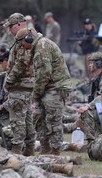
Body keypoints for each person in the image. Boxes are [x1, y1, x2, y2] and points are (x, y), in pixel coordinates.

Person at [17, 27, 71, 155]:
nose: (22, 47)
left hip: (55, 88)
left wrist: (35, 95)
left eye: (22, 43)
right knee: (40, 119)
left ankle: (56, 152)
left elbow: (44, 75)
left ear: (28, 39)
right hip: (47, 88)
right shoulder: (38, 47)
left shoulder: (42, 48)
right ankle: (45, 149)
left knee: (53, 121)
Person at [2, 13, 37, 155]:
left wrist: (8, 80)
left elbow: (22, 61)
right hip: (25, 85)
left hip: (20, 85)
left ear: (18, 24)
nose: (9, 30)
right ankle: (29, 150)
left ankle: (17, 151)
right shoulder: (26, 36)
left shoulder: (26, 37)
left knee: (17, 121)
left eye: (10, 26)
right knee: (27, 119)